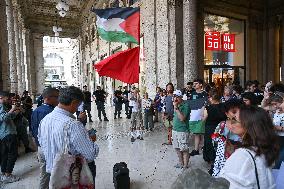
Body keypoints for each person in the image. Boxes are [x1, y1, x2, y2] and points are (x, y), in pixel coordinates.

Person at [38, 86, 99, 187]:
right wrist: (90, 140)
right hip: (71, 176)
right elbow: (91, 154)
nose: (77, 108)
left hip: (53, 173)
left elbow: (42, 144)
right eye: (78, 105)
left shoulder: (45, 120)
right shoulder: (73, 124)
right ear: (73, 102)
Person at [219, 106, 279, 189]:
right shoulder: (262, 147)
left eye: (234, 120)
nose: (230, 122)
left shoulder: (243, 155)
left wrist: (236, 156)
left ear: (249, 126)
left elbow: (225, 185)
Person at [31, 87, 59, 189]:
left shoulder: (36, 110)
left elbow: (33, 130)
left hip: (41, 148)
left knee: (44, 174)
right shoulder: (51, 112)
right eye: (56, 97)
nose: (59, 99)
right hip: (50, 149)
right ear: (47, 98)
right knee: (55, 175)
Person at [0, 91, 21, 183]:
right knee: (12, 154)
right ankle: (8, 175)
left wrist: (16, 112)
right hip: (8, 133)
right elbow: (4, 118)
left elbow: (7, 118)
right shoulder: (1, 106)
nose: (9, 101)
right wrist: (12, 109)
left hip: (5, 134)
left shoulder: (3, 107)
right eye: (7, 99)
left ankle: (4, 174)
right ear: (1, 98)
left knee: (4, 155)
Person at [202, 90, 226, 165]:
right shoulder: (224, 106)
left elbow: (203, 120)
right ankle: (220, 159)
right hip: (222, 128)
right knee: (221, 144)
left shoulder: (208, 108)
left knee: (210, 144)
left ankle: (212, 160)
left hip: (210, 129)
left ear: (211, 98)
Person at [189, 79, 208, 156]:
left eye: (196, 83)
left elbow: (206, 105)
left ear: (200, 85)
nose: (194, 85)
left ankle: (204, 147)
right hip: (194, 116)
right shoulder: (192, 94)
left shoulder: (205, 94)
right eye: (194, 84)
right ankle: (196, 149)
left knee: (203, 133)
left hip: (203, 116)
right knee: (196, 133)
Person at [172, 90, 191, 169]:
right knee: (176, 147)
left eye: (177, 97)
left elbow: (182, 118)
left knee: (184, 149)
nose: (175, 99)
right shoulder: (177, 105)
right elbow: (175, 116)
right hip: (175, 129)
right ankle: (181, 163)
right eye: (174, 97)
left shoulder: (185, 105)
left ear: (181, 97)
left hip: (182, 130)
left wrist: (176, 108)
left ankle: (185, 166)